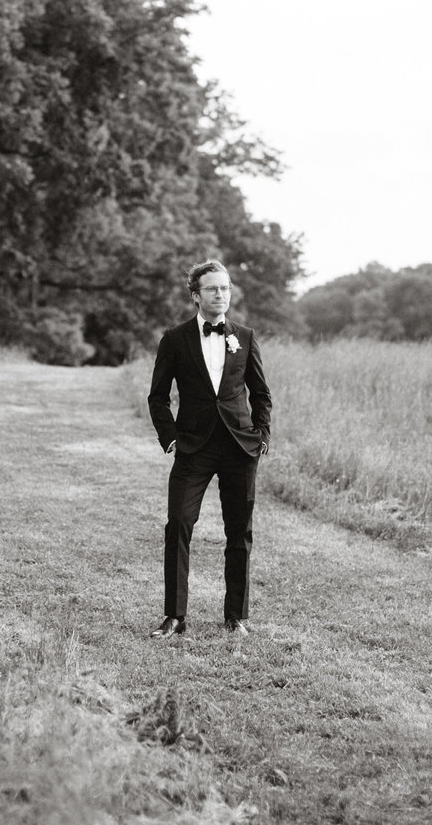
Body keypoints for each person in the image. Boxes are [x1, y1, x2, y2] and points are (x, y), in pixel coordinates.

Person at [147, 259, 272, 638]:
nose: (221, 294)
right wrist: (170, 438)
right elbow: (157, 397)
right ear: (195, 296)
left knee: (239, 532)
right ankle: (174, 616)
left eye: (226, 288)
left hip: (239, 446)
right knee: (179, 525)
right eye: (213, 288)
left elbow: (261, 393)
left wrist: (262, 434)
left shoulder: (245, 337)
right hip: (193, 448)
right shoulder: (175, 339)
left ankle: (236, 617)